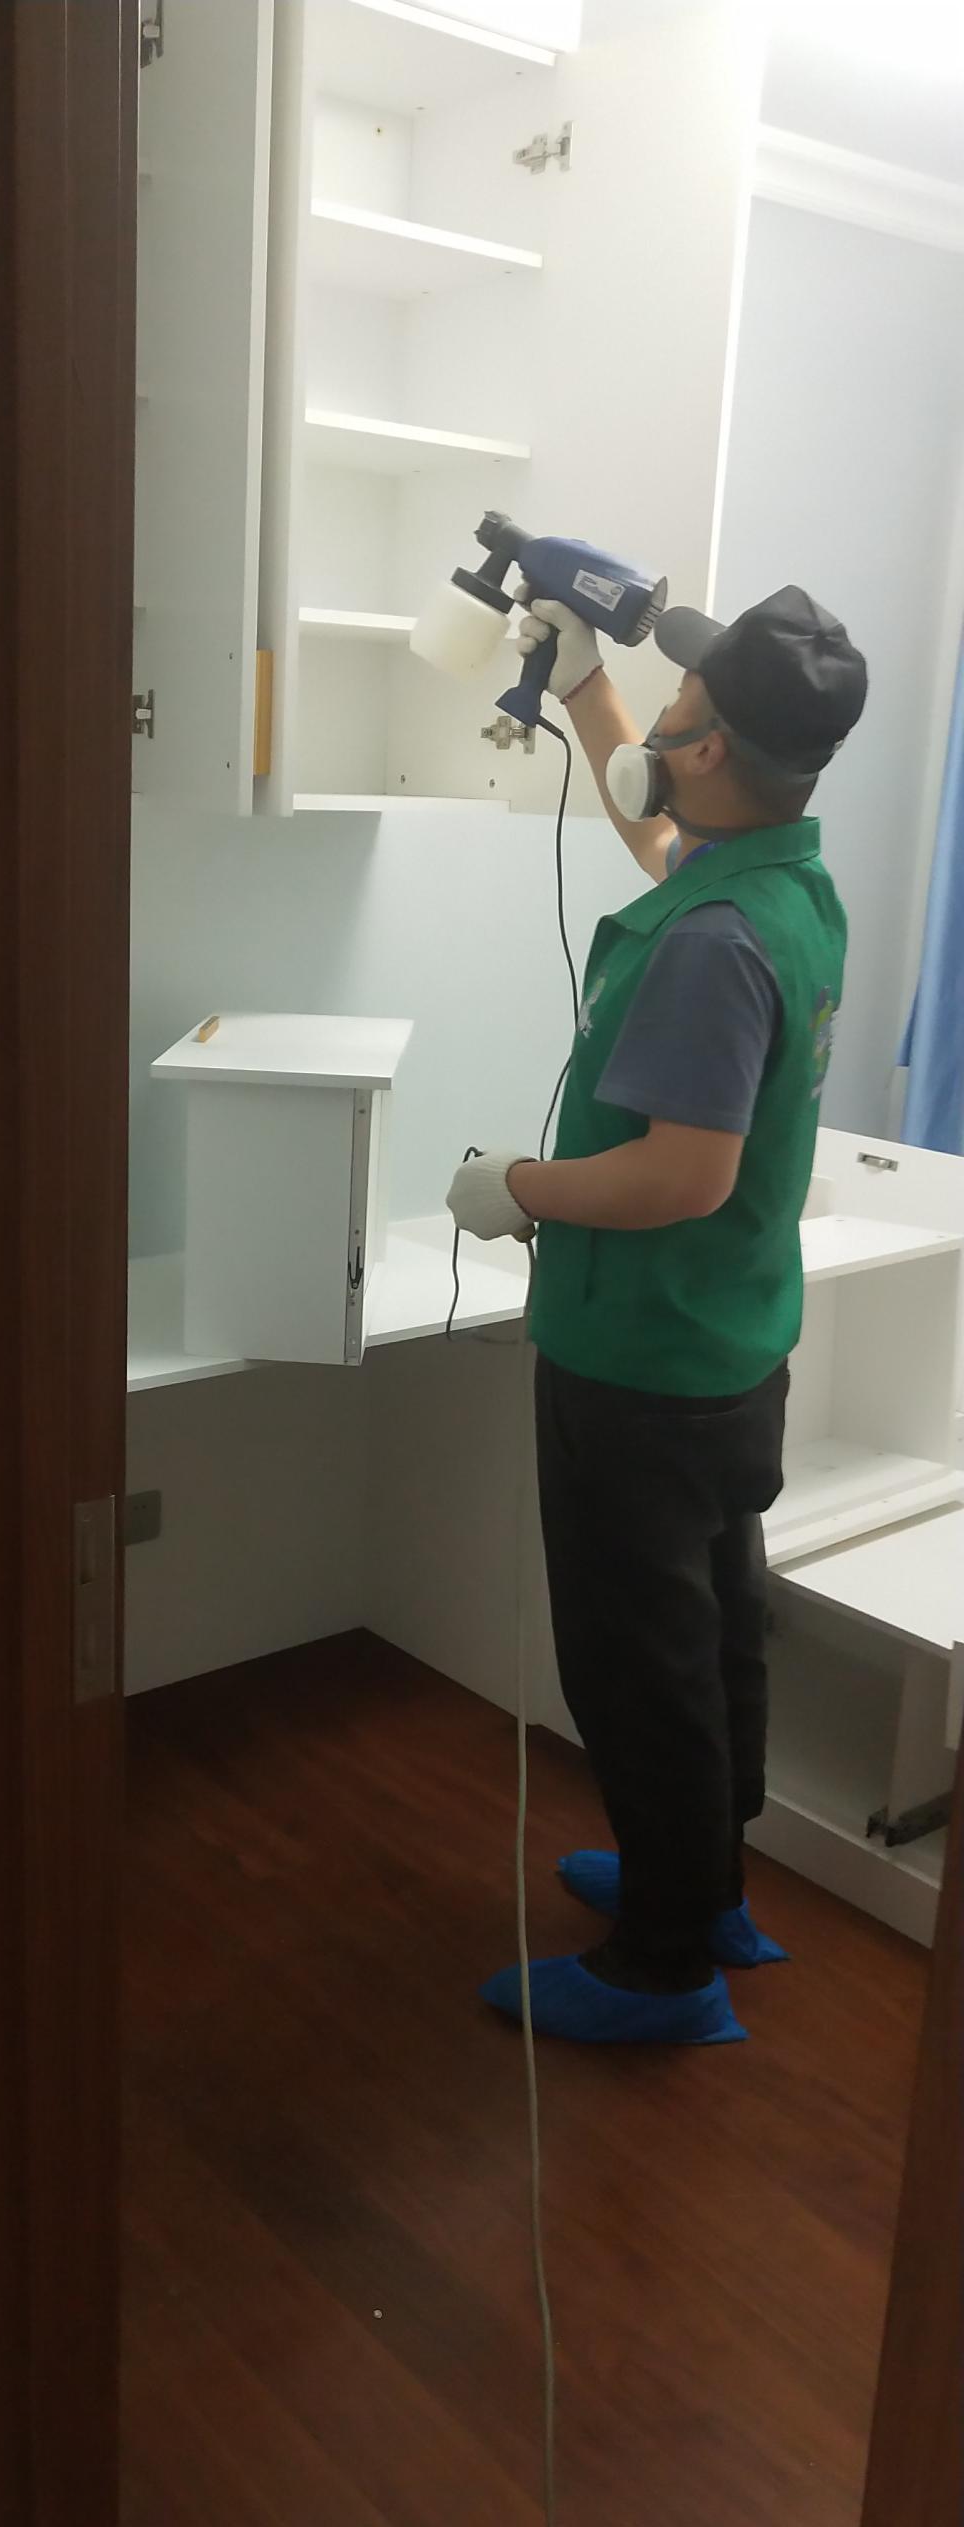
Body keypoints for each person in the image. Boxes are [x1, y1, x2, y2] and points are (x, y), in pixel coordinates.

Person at [447, 584, 868, 2048]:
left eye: (678, 705)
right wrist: (586, 690)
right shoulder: (782, 887)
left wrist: (517, 1188)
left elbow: (683, 1175)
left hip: (640, 1361)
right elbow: (664, 846)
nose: (663, 714)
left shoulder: (711, 943)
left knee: (642, 1665)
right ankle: (709, 1886)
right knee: (717, 1631)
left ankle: (664, 1969)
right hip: (728, 1346)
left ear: (711, 751)